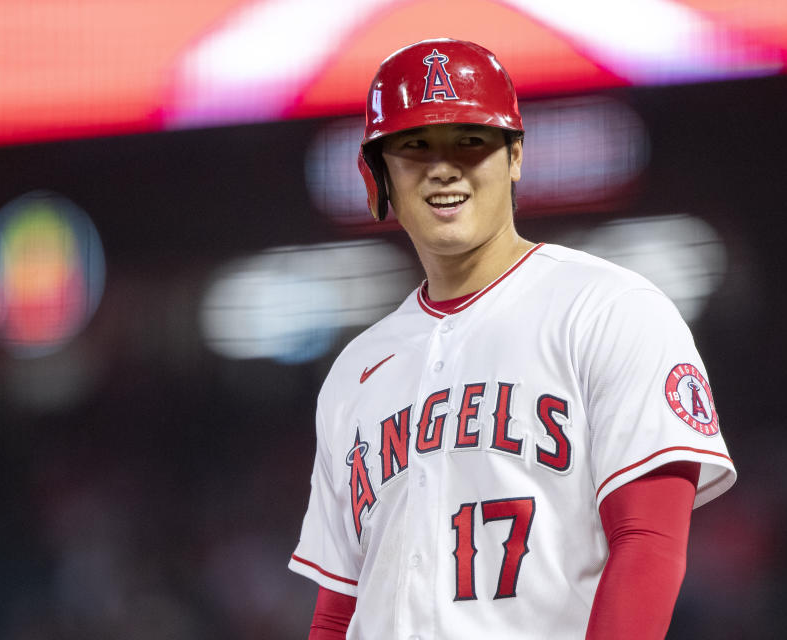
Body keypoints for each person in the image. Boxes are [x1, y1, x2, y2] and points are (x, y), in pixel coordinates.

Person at [288, 38, 736, 640]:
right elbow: (338, 608)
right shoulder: (355, 371)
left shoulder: (609, 310)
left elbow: (647, 543)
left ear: (515, 155)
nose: (443, 167)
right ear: (380, 174)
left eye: (469, 141)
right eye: (415, 145)